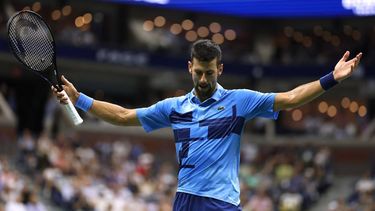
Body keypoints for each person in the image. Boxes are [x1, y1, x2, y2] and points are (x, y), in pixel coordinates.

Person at [52, 39, 362, 211]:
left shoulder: (240, 101)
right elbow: (123, 116)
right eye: (199, 72)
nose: (203, 79)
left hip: (222, 202)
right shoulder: (173, 108)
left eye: (210, 73)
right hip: (185, 199)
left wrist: (331, 79)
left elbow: (291, 98)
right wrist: (80, 99)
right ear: (190, 67)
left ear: (220, 69)